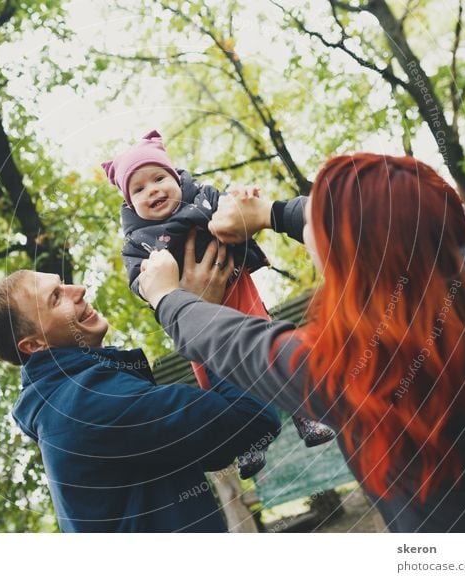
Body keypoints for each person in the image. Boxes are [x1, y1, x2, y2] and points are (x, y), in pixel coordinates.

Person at [138, 153, 465, 532]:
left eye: (321, 224)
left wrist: (169, 299)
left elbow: (241, 345)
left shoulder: (352, 367)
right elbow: (397, 229)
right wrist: (273, 213)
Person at [0, 252, 281, 532]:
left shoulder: (65, 404)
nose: (78, 289)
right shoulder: (86, 405)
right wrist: (196, 312)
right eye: (56, 297)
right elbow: (250, 419)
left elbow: (214, 446)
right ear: (34, 346)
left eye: (63, 283)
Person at [101, 130, 334, 474]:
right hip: (193, 311)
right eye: (138, 189)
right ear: (129, 203)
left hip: (237, 289)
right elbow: (140, 281)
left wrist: (245, 197)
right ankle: (248, 441)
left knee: (269, 347)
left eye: (159, 178)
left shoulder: (205, 199)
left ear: (176, 176)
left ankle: (305, 415)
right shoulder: (137, 242)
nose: (152, 189)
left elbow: (234, 209)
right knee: (213, 371)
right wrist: (153, 284)